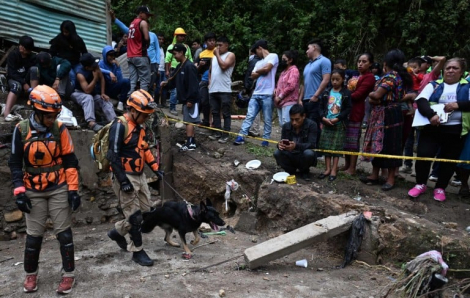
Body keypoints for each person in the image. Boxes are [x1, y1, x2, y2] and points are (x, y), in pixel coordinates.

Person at [9, 85, 80, 294]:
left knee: (64, 234)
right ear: (37, 113)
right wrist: (19, 191)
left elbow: (70, 161)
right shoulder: (21, 130)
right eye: (49, 116)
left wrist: (73, 190)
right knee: (33, 237)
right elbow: (14, 163)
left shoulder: (60, 129)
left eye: (55, 115)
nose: (53, 119)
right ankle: (31, 274)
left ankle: (68, 275)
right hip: (32, 188)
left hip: (58, 187)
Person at [106, 89, 163, 266]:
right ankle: (137, 251)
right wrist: (123, 181)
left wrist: (156, 169)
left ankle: (117, 232)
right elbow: (112, 156)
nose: (146, 118)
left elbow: (144, 150)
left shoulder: (141, 127)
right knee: (135, 217)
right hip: (125, 175)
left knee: (147, 211)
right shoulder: (119, 126)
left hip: (140, 175)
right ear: (133, 110)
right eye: (144, 115)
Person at [407, 58, 470, 202]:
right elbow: (421, 101)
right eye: (448, 68)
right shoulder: (434, 84)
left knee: (448, 160)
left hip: (456, 130)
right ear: (443, 70)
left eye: (455, 68)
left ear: (462, 72)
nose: (450, 70)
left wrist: (458, 105)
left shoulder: (468, 87)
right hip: (432, 128)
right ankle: (420, 184)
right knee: (424, 155)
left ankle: (440, 187)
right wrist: (431, 115)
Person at [361, 49, 412, 191]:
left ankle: (390, 178)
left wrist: (371, 94)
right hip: (381, 113)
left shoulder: (391, 77)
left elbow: (376, 95)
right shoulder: (392, 76)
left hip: (389, 115)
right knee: (377, 143)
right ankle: (374, 175)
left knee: (391, 145)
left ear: (386, 62)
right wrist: (375, 99)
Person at [233, 40, 278, 147]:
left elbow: (267, 69)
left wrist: (259, 71)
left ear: (260, 48)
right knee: (249, 116)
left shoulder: (273, 56)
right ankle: (241, 136)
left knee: (267, 119)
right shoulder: (258, 62)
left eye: (256, 51)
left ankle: (266, 140)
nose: (256, 54)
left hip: (267, 93)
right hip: (256, 92)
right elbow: (253, 75)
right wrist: (261, 71)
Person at [341, 53, 376, 175]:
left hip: (356, 110)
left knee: (353, 139)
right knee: (346, 138)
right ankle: (346, 164)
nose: (360, 64)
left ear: (370, 63)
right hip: (346, 109)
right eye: (359, 61)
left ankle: (352, 168)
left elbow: (359, 94)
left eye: (364, 61)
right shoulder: (355, 76)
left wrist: (342, 97)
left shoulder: (369, 77)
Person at [162, 44, 200, 151]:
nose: (174, 56)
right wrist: (165, 84)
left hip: (190, 99)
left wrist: (191, 100)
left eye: (175, 54)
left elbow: (194, 85)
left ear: (181, 52)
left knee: (189, 121)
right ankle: (191, 141)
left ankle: (190, 143)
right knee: (188, 120)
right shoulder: (180, 66)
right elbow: (173, 82)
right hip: (185, 99)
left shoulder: (189, 66)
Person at [318, 69, 351, 181]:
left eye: (337, 79)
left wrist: (338, 118)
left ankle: (334, 169)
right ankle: (327, 169)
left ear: (342, 80)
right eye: (333, 79)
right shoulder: (326, 92)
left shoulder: (346, 93)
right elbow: (321, 107)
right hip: (327, 122)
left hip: (339, 124)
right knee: (327, 147)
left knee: (336, 148)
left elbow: (348, 109)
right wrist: (323, 118)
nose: (335, 82)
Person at [70, 53, 116, 132]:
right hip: (78, 93)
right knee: (88, 97)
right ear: (87, 67)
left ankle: (114, 121)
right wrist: (95, 79)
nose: (95, 66)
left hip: (92, 94)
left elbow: (102, 78)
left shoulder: (95, 66)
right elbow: (87, 90)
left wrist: (102, 93)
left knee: (104, 100)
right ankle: (91, 123)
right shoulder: (80, 74)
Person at [299, 39, 331, 147]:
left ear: (314, 48)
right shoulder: (307, 65)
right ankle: (307, 148)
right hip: (306, 100)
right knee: (305, 124)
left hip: (317, 99)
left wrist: (316, 95)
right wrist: (300, 99)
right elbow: (304, 83)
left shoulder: (324, 61)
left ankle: (316, 150)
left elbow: (326, 79)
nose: (306, 51)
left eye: (308, 48)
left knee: (314, 125)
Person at [273, 104, 317, 180]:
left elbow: (312, 145)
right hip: (290, 154)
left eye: (297, 119)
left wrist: (296, 146)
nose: (294, 122)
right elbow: (282, 141)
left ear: (304, 116)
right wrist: (279, 145)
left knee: (309, 153)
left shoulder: (312, 125)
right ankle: (290, 170)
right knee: (277, 153)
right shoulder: (286, 126)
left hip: (302, 154)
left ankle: (304, 171)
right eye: (292, 119)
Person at [208, 36, 236, 143]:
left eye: (220, 45)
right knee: (215, 112)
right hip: (213, 89)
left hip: (224, 89)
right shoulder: (214, 57)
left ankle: (226, 134)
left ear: (226, 45)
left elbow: (224, 66)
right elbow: (211, 71)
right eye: (217, 45)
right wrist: (209, 83)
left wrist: (218, 55)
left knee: (225, 113)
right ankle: (217, 132)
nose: (218, 48)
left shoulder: (230, 55)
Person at [4, 35, 36, 121]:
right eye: (21, 45)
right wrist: (23, 83)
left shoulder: (32, 58)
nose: (21, 47)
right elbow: (11, 73)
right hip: (14, 79)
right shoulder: (13, 55)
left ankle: (34, 95)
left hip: (26, 79)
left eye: (24, 47)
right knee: (16, 86)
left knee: (34, 69)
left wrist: (28, 85)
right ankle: (6, 113)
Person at [49, 20, 87, 87]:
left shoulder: (78, 40)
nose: (64, 34)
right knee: (71, 76)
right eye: (63, 32)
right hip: (65, 63)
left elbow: (84, 53)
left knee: (81, 74)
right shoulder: (59, 38)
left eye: (66, 32)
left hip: (76, 63)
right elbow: (52, 51)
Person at [165, 28, 193, 115]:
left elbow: (190, 58)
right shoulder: (171, 46)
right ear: (176, 36)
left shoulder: (186, 47)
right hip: (174, 69)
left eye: (183, 36)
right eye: (180, 36)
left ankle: (183, 107)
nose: (182, 37)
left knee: (184, 88)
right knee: (174, 89)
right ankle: (172, 107)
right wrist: (167, 70)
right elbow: (167, 59)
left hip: (184, 68)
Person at [127, 6, 153, 95]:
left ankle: (129, 101)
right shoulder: (143, 23)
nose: (148, 17)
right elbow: (146, 37)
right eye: (146, 14)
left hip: (130, 56)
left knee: (132, 81)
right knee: (145, 80)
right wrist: (148, 43)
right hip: (140, 55)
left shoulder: (132, 23)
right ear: (141, 13)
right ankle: (142, 103)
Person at [99, 46, 130, 111]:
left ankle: (121, 102)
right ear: (105, 55)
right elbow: (98, 69)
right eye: (110, 55)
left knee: (126, 81)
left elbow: (120, 78)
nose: (112, 57)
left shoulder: (114, 65)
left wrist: (118, 66)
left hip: (112, 87)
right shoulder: (101, 63)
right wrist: (109, 72)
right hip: (103, 89)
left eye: (114, 55)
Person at [274, 50, 300, 127]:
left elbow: (291, 86)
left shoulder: (294, 70)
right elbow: (278, 85)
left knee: (287, 123)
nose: (282, 61)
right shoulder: (283, 72)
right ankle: (284, 138)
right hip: (279, 102)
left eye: (284, 59)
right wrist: (275, 90)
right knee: (282, 124)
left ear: (290, 60)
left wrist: (280, 96)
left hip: (289, 101)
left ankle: (288, 139)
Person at [196, 32, 216, 127]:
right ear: (205, 42)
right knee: (204, 101)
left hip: (216, 80)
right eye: (209, 41)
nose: (212, 42)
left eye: (213, 40)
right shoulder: (202, 54)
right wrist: (200, 65)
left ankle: (215, 123)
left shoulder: (218, 52)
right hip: (204, 80)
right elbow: (196, 68)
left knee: (215, 102)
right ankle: (206, 120)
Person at [155, 33, 167, 107]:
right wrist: (157, 69)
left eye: (162, 39)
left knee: (164, 86)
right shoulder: (155, 49)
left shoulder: (162, 49)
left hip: (163, 70)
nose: (161, 41)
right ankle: (156, 102)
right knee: (158, 87)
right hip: (158, 69)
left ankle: (163, 103)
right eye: (159, 39)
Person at [148, 32, 161, 97]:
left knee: (151, 83)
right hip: (142, 62)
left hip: (153, 63)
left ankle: (150, 101)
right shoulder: (137, 34)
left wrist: (157, 63)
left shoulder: (153, 35)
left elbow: (157, 49)